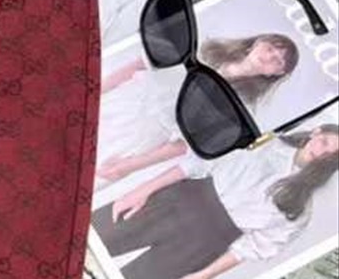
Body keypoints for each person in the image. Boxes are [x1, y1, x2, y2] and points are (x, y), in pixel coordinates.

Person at [91, 122, 339, 279]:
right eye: (325, 142)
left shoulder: (300, 208)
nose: (321, 153)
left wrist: (201, 278)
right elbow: (198, 162)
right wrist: (142, 190)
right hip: (176, 201)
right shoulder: (263, 139)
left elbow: (251, 248)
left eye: (331, 155)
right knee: (93, 235)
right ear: (316, 132)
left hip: (202, 245)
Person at [96, 33, 299, 183]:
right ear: (258, 42)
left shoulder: (242, 108)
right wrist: (98, 89)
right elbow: (141, 64)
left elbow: (185, 145)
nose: (269, 57)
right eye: (270, 48)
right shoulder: (205, 50)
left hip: (140, 137)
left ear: (276, 73)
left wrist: (129, 166)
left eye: (278, 61)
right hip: (123, 99)